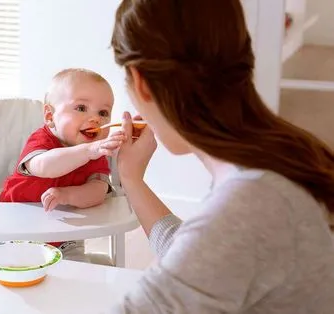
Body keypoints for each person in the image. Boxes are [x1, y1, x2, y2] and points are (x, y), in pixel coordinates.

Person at [108, 0, 334, 313]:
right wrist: (131, 178)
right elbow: (203, 261)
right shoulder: (281, 156)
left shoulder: (253, 202)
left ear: (140, 82)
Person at [0, 68, 125, 264]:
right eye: (81, 108)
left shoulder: (95, 153)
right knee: (8, 270)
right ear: (50, 116)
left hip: (66, 237)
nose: (96, 119)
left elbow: (98, 191)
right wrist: (89, 151)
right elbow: (44, 166)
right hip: (15, 228)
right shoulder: (42, 140)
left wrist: (67, 195)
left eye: (103, 112)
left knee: (74, 273)